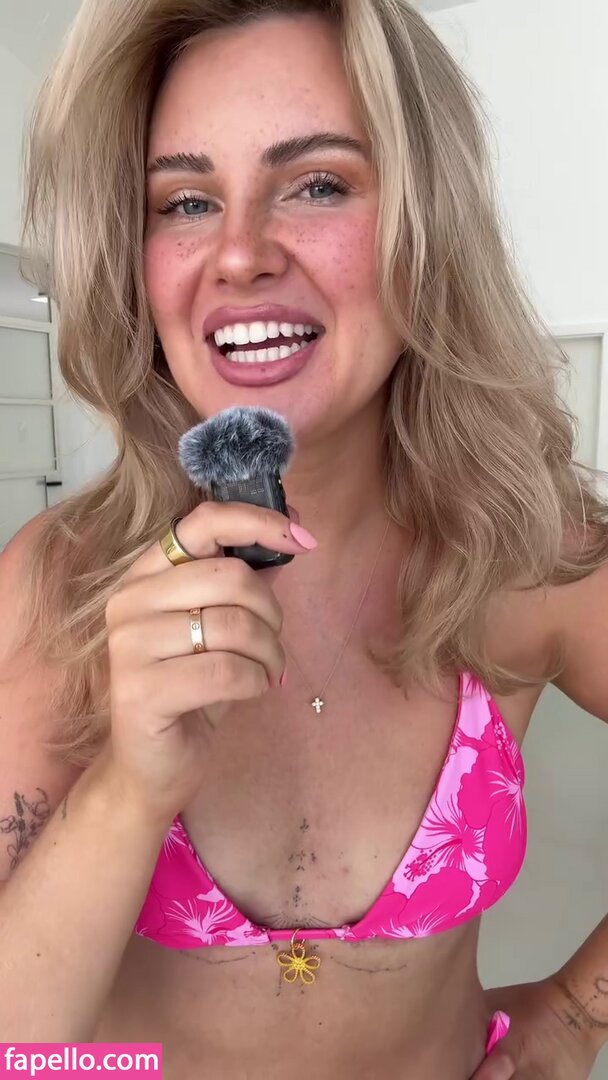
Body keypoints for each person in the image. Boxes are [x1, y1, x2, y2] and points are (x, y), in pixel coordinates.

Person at [0, 0, 607, 1076]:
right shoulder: (63, 583)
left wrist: (574, 1013)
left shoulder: (526, 553)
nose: (238, 254)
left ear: (425, 226)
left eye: (317, 184)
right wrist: (128, 788)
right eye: (186, 202)